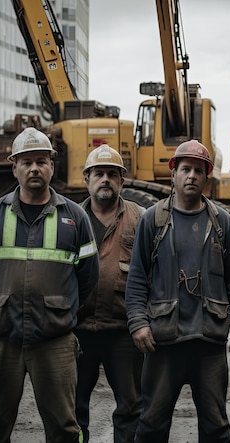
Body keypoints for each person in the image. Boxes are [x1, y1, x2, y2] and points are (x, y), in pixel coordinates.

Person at [0, 127, 99, 442]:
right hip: (0, 342)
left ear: (52, 165)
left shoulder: (75, 217)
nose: (34, 168)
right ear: (14, 167)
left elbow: (89, 276)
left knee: (64, 428)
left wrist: (61, 310)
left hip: (55, 342)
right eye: (26, 162)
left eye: (41, 161)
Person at [125, 139, 230, 442]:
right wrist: (138, 322)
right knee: (152, 424)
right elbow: (137, 277)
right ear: (174, 174)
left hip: (208, 345)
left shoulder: (222, 223)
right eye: (185, 169)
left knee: (216, 426)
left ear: (207, 176)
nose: (192, 175)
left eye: (198, 170)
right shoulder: (152, 220)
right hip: (163, 343)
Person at [74, 144, 144, 442]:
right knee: (73, 409)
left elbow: (153, 273)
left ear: (122, 181)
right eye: (99, 174)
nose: (105, 179)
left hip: (124, 332)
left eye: (112, 174)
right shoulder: (69, 218)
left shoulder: (141, 219)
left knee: (131, 406)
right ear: (86, 179)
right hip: (77, 331)